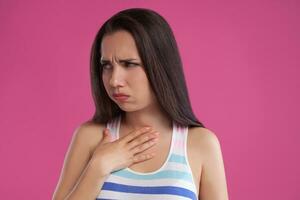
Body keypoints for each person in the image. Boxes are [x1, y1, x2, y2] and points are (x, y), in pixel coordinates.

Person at [52, 7, 229, 200]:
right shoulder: (90, 137)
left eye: (129, 64)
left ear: (160, 65)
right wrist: (99, 167)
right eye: (106, 66)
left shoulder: (201, 144)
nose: (114, 81)